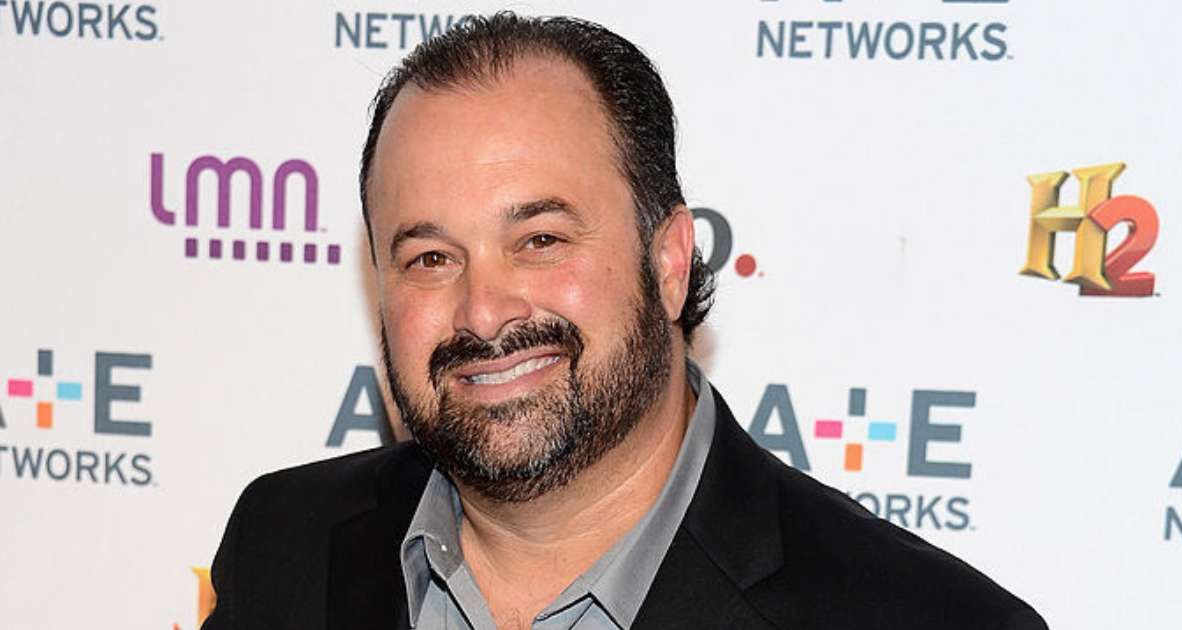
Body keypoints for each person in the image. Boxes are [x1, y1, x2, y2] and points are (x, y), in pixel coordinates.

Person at [201, 12, 1047, 630]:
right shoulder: (285, 544)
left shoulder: (922, 618)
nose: (483, 310)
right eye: (429, 257)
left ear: (669, 262)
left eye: (540, 240)